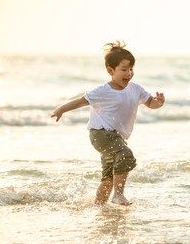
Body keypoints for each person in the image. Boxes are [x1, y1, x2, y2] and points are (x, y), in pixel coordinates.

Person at [51, 41, 165, 206]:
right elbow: (81, 102)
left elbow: (150, 103)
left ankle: (99, 206)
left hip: (115, 136)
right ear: (111, 71)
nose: (129, 73)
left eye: (131, 69)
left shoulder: (135, 89)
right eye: (124, 70)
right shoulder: (103, 91)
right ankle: (118, 195)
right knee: (125, 155)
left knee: (109, 176)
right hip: (100, 134)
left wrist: (158, 102)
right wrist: (61, 109)